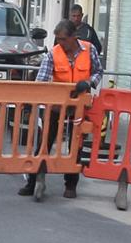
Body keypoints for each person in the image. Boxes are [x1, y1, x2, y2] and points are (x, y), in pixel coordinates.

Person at [20, 20, 100, 199]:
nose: (60, 43)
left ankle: (71, 185)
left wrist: (89, 83)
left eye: (63, 39)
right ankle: (32, 183)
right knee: (44, 143)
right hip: (56, 107)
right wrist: (32, 99)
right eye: (58, 39)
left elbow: (98, 71)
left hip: (79, 107)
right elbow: (42, 79)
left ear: (74, 37)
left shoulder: (89, 50)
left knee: (75, 145)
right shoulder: (53, 54)